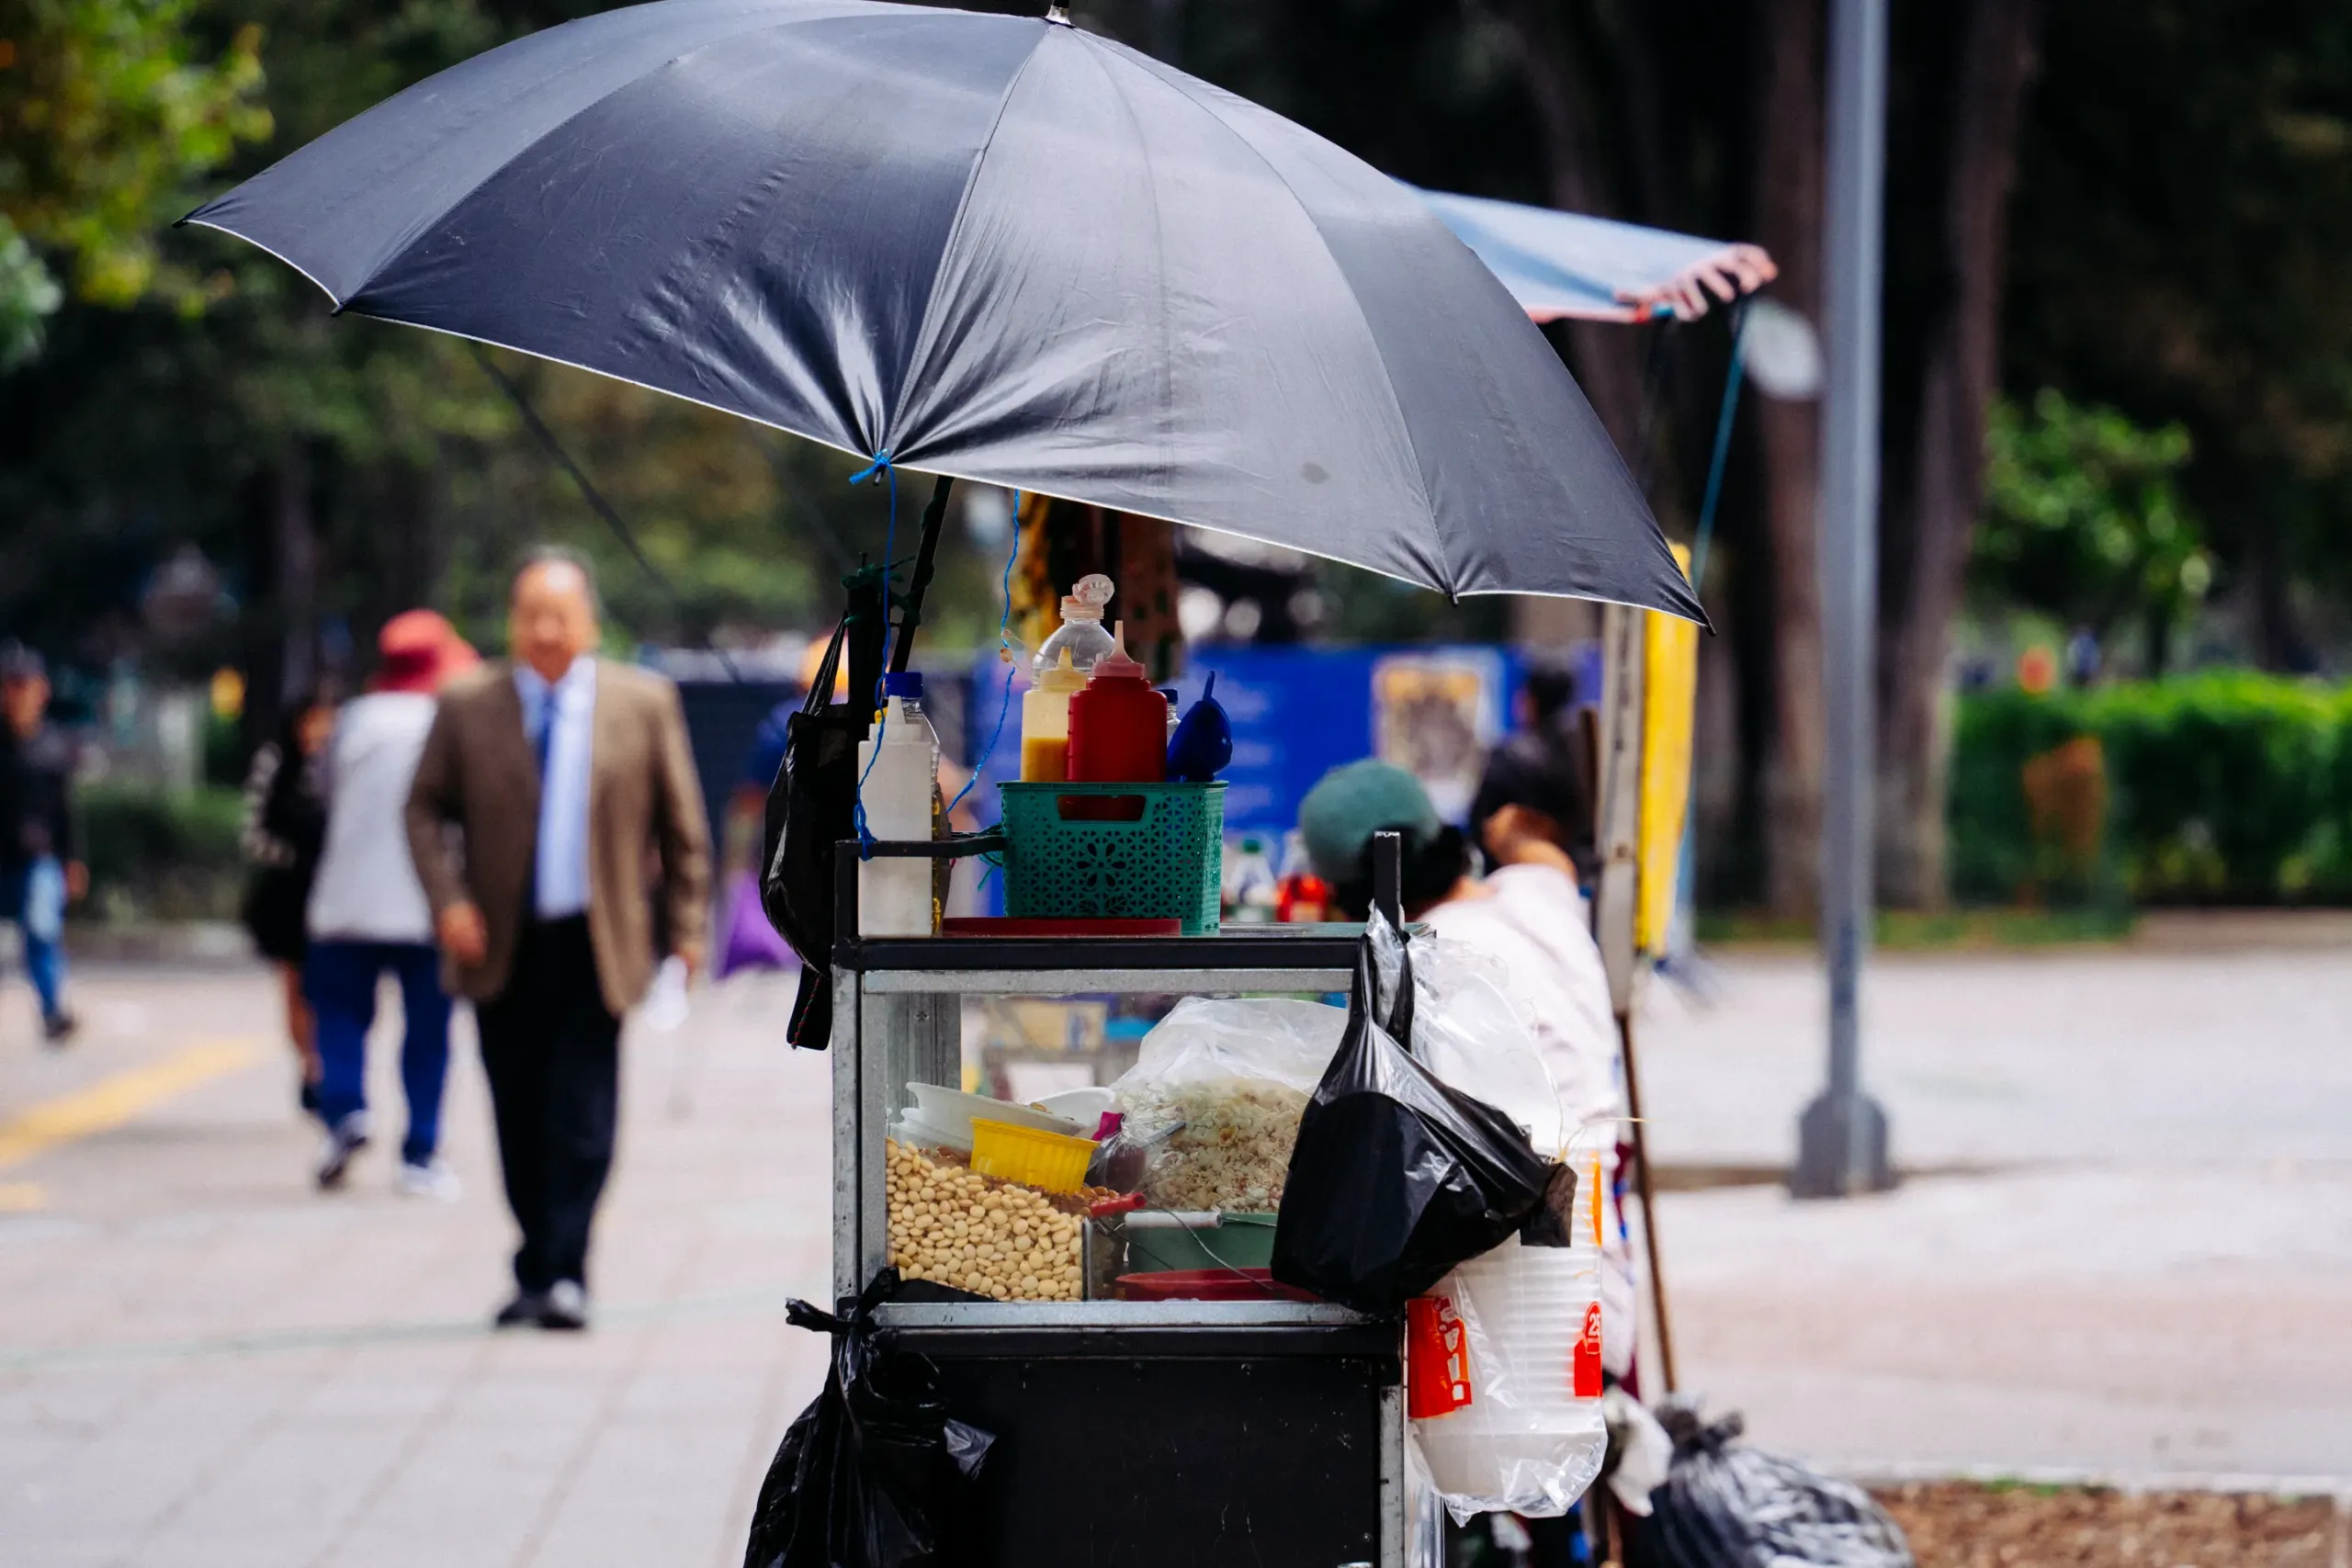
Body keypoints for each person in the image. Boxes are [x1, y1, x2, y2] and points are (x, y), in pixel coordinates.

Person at [405, 548, 711, 1332]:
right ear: (510, 622)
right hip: (499, 942)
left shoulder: (641, 703)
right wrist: (449, 902)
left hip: (596, 942)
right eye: (529, 613)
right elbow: (422, 808)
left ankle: (569, 1269)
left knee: (582, 1112)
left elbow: (682, 828)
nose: (544, 629)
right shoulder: (467, 703)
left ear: (589, 623)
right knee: (515, 1109)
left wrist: (685, 929)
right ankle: (535, 1261)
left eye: (559, 614)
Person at [1297, 759, 1634, 1382]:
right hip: (1600, 1274)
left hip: (1524, 1318)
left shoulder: (1434, 963)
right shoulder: (1542, 901)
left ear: (1357, 895)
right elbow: (1545, 860)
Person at [304, 614, 479, 1195]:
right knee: (427, 1031)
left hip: (344, 902)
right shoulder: (449, 721)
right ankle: (421, 1150)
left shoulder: (351, 722)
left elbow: (322, 795)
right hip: (427, 906)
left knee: (341, 1015)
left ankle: (345, 1110)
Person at [240, 690, 337, 1115]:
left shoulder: (343, 762)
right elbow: (253, 835)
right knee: (296, 986)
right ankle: (310, 1065)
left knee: (334, 986)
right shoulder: (276, 762)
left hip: (338, 891)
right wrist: (297, 859)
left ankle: (334, 1063)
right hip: (289, 894)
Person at [1, 643, 85, 1044]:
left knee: (41, 929)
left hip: (38, 860)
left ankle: (53, 1010)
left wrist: (72, 861)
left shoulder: (52, 747)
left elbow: (66, 812)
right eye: (10, 687)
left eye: (24, 686)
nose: (17, 695)